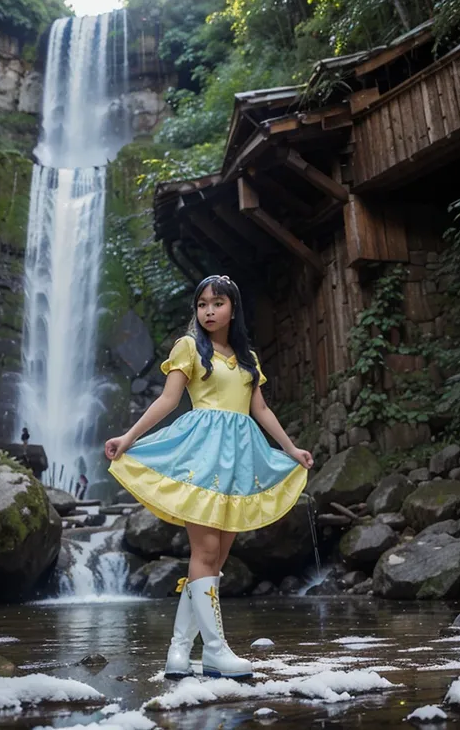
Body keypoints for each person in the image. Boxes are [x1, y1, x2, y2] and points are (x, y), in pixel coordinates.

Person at [105, 274, 313, 681]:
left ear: (233, 307)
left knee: (214, 560)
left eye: (217, 303)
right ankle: (215, 651)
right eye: (202, 304)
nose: (209, 311)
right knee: (205, 552)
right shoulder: (189, 347)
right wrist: (129, 437)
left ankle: (179, 653)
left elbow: (261, 410)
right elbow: (168, 399)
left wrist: (290, 449)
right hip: (201, 457)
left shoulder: (248, 357)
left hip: (239, 460)